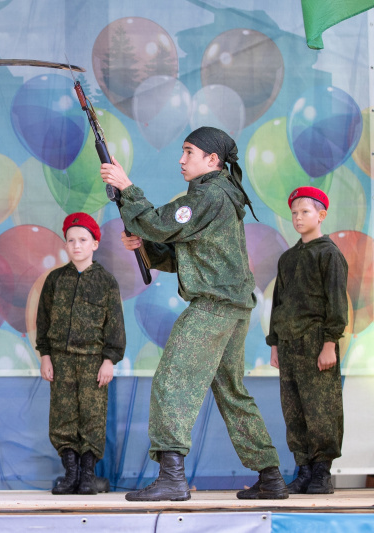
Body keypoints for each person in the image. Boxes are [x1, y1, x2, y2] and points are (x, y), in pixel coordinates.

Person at [101, 126, 288, 501]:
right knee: (232, 392)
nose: (182, 160)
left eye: (189, 152)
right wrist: (147, 247)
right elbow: (188, 253)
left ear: (212, 160)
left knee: (172, 380)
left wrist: (126, 187)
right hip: (233, 308)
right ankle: (271, 476)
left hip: (214, 308)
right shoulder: (220, 195)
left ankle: (172, 477)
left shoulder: (209, 194)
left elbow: (156, 222)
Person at [36, 212, 126, 495]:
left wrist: (109, 360)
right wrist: (45, 356)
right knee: (63, 416)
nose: (77, 245)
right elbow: (43, 320)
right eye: (71, 240)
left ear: (95, 244)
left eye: (83, 240)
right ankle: (70, 474)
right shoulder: (55, 280)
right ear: (65, 245)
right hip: (60, 361)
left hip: (92, 362)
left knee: (92, 416)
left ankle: (88, 475)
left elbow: (115, 326)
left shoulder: (106, 282)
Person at [267, 186, 347, 494]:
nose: (298, 218)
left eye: (305, 212)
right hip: (288, 345)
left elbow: (336, 302)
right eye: (294, 213)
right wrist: (274, 342)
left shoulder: (329, 254)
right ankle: (302, 469)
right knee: (295, 409)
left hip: (316, 342)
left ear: (321, 215)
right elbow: (279, 302)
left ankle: (321, 472)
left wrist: (330, 343)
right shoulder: (288, 258)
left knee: (321, 408)